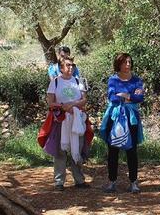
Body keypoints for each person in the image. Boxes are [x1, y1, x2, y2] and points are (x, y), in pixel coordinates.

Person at [98, 53, 145, 193]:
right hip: (115, 116)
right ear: (119, 64)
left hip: (132, 118)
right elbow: (112, 96)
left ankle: (133, 182)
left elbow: (140, 97)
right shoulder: (113, 80)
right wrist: (131, 96)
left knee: (132, 150)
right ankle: (112, 181)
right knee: (113, 150)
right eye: (125, 62)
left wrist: (125, 95)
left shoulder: (137, 80)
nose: (128, 65)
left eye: (130, 62)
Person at [46, 55, 89, 190]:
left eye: (72, 65)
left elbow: (84, 100)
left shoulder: (78, 81)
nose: (70, 68)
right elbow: (50, 102)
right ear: (61, 68)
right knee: (60, 151)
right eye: (68, 65)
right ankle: (59, 181)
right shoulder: (55, 82)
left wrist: (72, 105)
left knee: (78, 148)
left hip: (77, 119)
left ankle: (79, 180)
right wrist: (63, 106)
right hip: (61, 120)